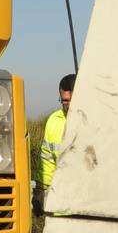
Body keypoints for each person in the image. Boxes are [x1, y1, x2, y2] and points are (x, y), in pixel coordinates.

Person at [35, 73, 75, 213]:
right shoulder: (53, 121)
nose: (68, 105)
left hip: (88, 207)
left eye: (71, 100)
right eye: (64, 101)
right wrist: (40, 190)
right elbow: (47, 161)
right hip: (60, 207)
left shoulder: (94, 119)